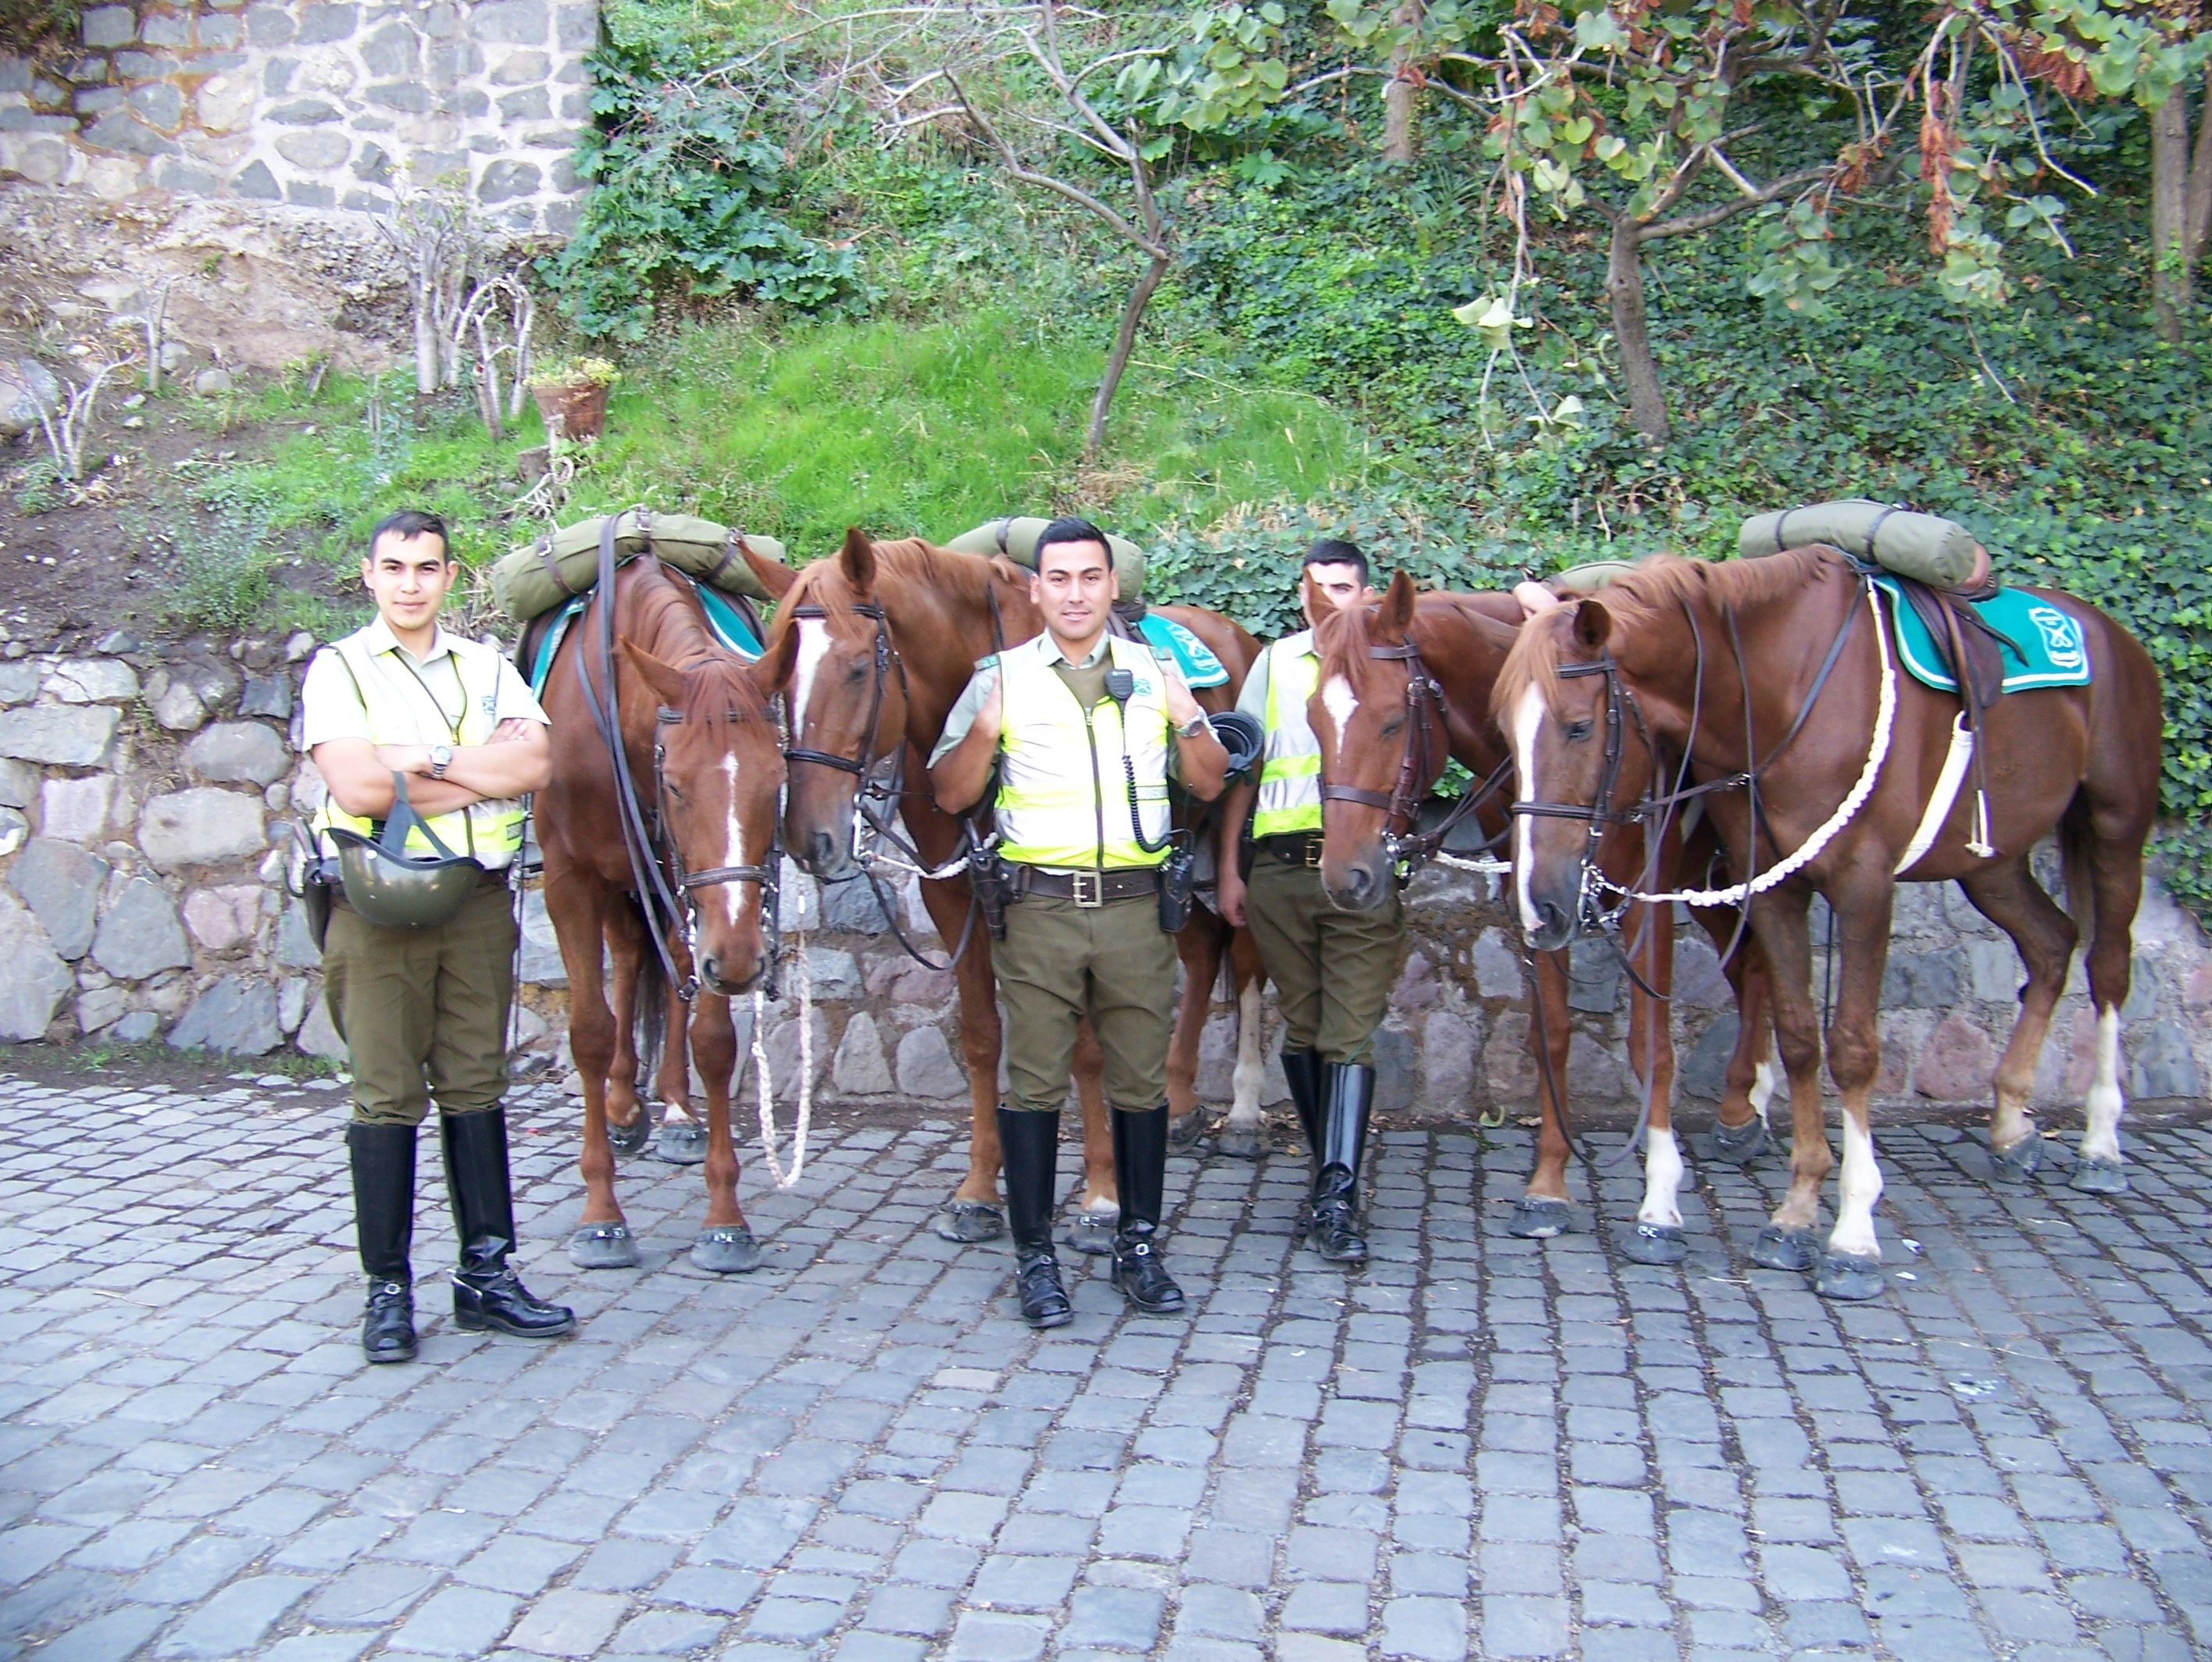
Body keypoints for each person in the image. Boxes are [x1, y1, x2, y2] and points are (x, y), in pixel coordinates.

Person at [930, 516, 1229, 1329]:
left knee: (1138, 1086)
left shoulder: (1153, 668)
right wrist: (985, 727)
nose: (1073, 593)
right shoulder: (1001, 675)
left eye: (1089, 577)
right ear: (1035, 589)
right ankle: (1035, 1258)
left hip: (1135, 908)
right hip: (1041, 910)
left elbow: (1206, 782)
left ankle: (1138, 1244)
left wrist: (1186, 714)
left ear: (1110, 586)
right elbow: (951, 794)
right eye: (1057, 578)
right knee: (1031, 1087)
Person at [303, 509, 575, 1364]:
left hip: (476, 906)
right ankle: (388, 1291)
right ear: (369, 575)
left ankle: (486, 1276)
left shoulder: (487, 666)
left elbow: (533, 765)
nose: (411, 583)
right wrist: (467, 764)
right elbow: (351, 781)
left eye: (427, 568)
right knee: (385, 1094)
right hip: (375, 909)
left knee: (475, 1082)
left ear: (450, 577)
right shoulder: (338, 668)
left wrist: (412, 765)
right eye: (395, 567)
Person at [1215, 538, 1404, 1264]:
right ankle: (1332, 1170)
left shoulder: (1389, 664)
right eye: (1319, 588)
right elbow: (1246, 769)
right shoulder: (1275, 663)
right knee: (1304, 1027)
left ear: (1367, 595)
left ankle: (1337, 1197)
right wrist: (1232, 869)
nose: (1331, 600)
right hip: (1281, 873)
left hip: (1353, 872)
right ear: (1302, 595)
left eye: (1345, 587)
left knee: (1347, 1034)